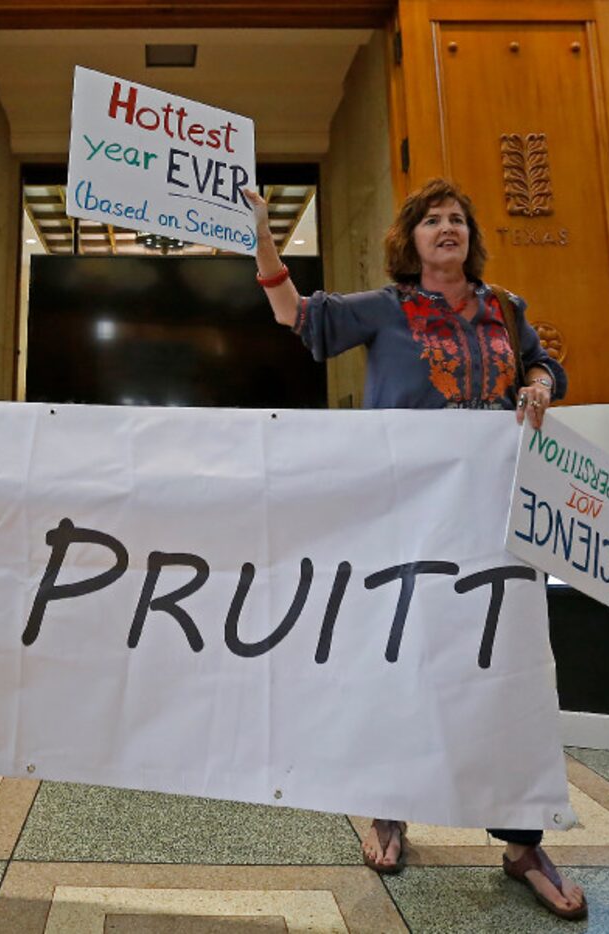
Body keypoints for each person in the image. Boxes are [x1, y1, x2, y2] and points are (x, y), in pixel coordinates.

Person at [243, 178, 585, 921]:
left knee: (504, 666)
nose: (446, 228)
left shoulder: (505, 309)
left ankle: (523, 842)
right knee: (395, 656)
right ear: (411, 239)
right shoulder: (387, 308)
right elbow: (291, 312)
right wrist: (263, 234)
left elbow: (543, 364)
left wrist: (534, 382)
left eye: (456, 218)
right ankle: (388, 807)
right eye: (431, 220)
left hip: (492, 519)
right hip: (399, 519)